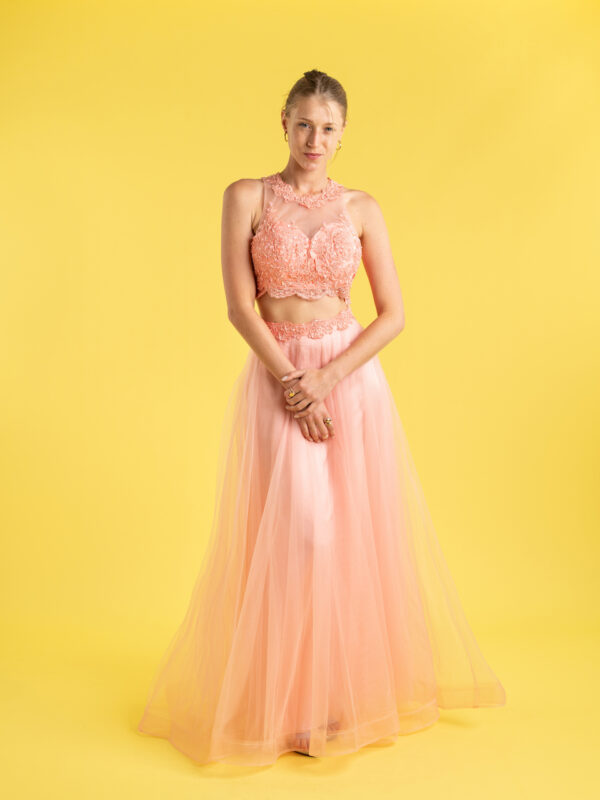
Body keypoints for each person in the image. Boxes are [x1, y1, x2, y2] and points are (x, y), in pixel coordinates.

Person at [137, 69, 506, 766]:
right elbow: (240, 307)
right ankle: (286, 702)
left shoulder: (362, 208)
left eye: (328, 128)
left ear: (343, 135)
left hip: (348, 378)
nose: (315, 138)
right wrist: (292, 384)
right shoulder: (246, 197)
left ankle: (331, 702)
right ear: (283, 123)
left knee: (347, 538)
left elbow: (393, 313)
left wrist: (328, 380)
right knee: (298, 532)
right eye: (304, 123)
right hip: (278, 374)